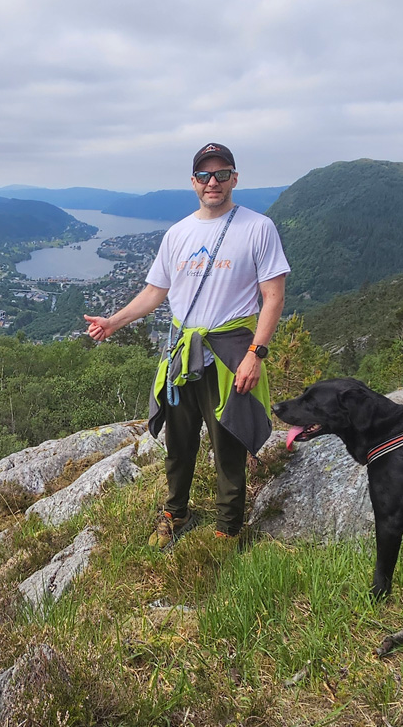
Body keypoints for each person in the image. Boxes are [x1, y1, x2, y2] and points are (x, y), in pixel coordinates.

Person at [85, 143, 290, 546]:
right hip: (182, 352)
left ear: (234, 177)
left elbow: (274, 297)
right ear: (193, 182)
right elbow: (154, 292)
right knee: (179, 443)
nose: (212, 182)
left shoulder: (257, 227)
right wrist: (113, 322)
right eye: (204, 175)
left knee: (227, 441)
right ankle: (175, 513)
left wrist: (256, 355)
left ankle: (227, 528)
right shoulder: (178, 234)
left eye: (221, 174)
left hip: (230, 351)